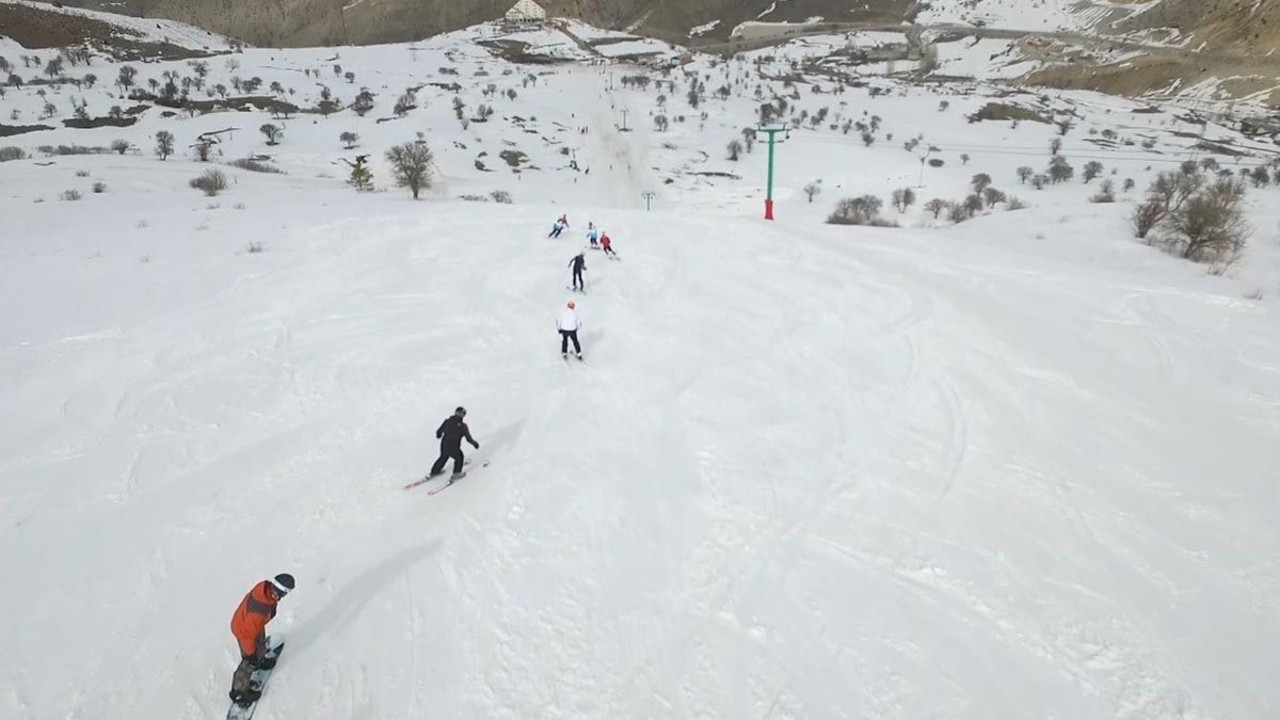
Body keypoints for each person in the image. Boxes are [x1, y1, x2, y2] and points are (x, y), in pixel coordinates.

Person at [229, 573, 295, 707]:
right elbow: (247, 635)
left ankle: (260, 659)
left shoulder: (266, 590)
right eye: (283, 594)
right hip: (244, 631)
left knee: (260, 645)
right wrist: (250, 654)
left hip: (253, 626)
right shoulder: (258, 612)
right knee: (249, 662)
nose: (281, 598)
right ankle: (238, 692)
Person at [430, 407, 479, 480]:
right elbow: (468, 438)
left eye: (461, 413)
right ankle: (456, 473)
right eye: (459, 413)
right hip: (453, 446)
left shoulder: (447, 421)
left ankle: (434, 471)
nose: (460, 415)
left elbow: (439, 431)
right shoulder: (463, 426)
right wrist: (475, 444)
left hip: (444, 445)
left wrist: (439, 435)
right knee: (459, 457)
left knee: (444, 456)